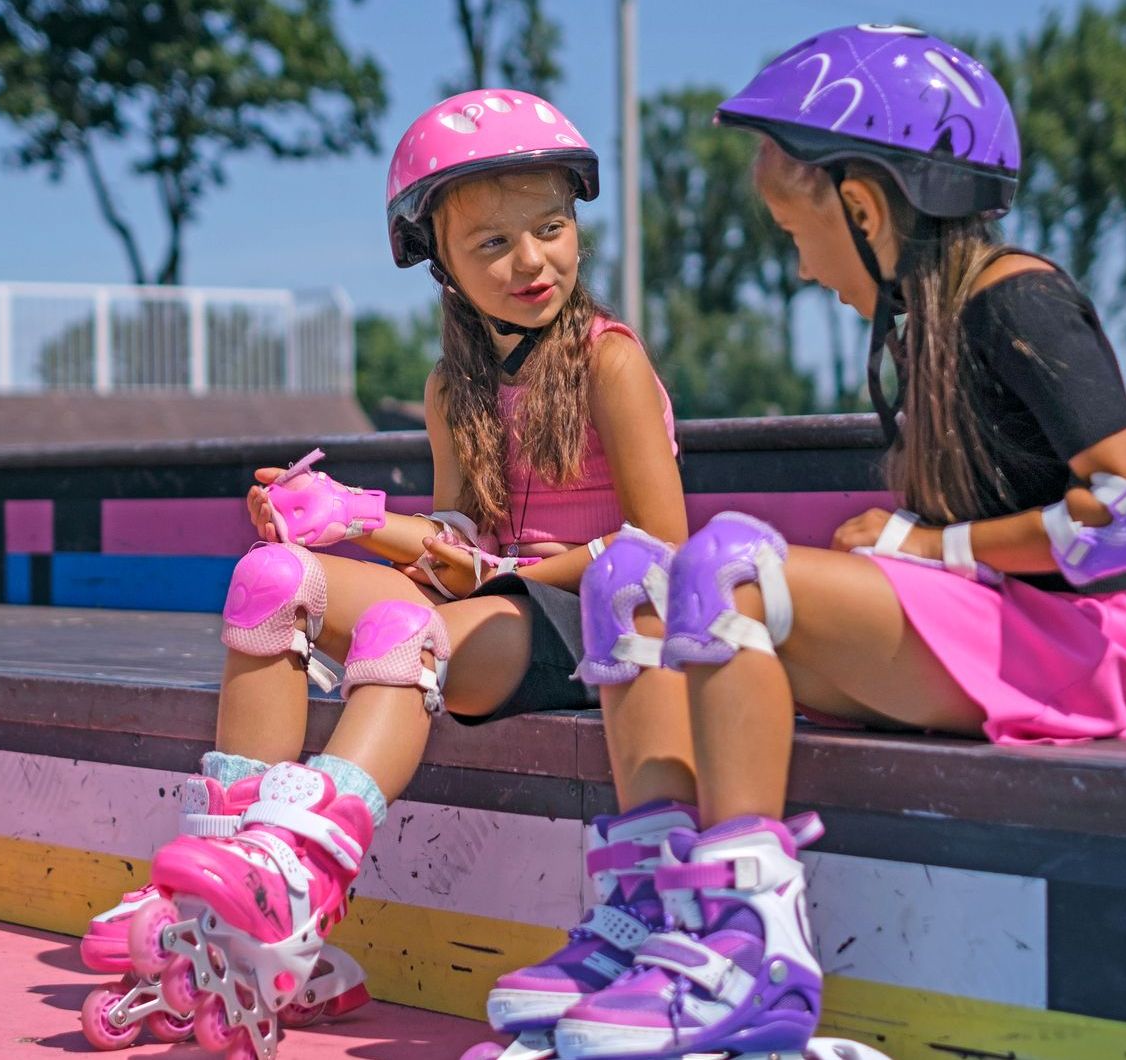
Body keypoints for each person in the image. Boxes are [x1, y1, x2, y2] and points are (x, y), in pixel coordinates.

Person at [544, 25, 1126, 1060]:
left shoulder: (1016, 298)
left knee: (733, 569)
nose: (798, 268)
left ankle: (753, 950)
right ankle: (654, 920)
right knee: (632, 580)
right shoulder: (922, 321)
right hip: (992, 630)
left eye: (794, 231)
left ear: (866, 205)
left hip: (1075, 651)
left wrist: (930, 547)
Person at [75, 88, 694, 1059]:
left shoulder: (607, 362)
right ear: (440, 262)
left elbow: (661, 538)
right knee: (275, 578)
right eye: (494, 244)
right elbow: (457, 534)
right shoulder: (454, 390)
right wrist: (362, 519)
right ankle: (242, 922)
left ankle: (296, 876)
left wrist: (474, 564)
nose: (533, 259)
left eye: (552, 228)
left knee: (406, 630)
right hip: (487, 601)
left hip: (584, 612)